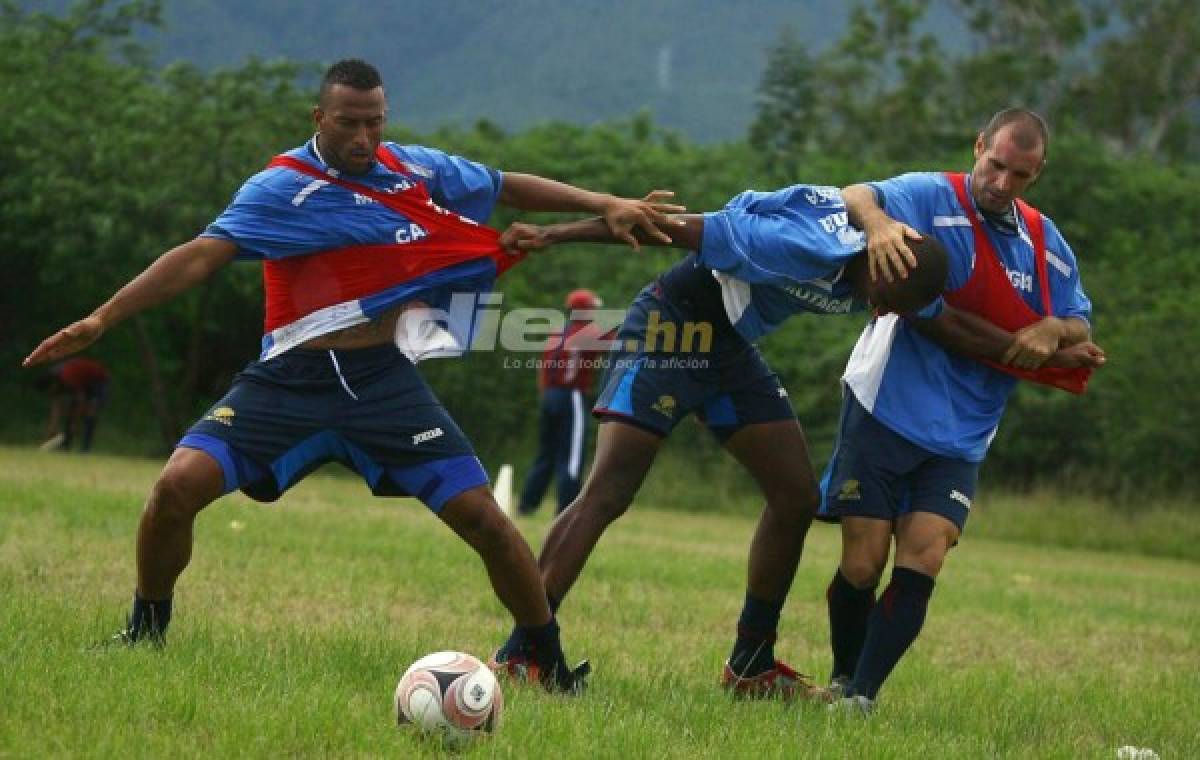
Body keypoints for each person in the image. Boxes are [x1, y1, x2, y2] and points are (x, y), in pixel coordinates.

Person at [21, 59, 683, 692]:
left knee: (485, 520)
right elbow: (197, 258)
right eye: (349, 123)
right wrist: (101, 319)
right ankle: (146, 629)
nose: (365, 136)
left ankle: (545, 659)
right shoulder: (281, 188)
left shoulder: (414, 167)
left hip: (381, 381)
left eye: (375, 121)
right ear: (320, 116)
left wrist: (604, 200)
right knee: (174, 490)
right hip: (289, 378)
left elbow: (505, 184)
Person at [491, 180, 961, 700]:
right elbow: (670, 229)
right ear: (878, 264)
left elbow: (945, 315)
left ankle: (751, 663)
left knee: (795, 497)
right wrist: (555, 233)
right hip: (671, 327)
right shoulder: (793, 243)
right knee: (608, 492)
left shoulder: (896, 271)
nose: (885, 312)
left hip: (730, 348)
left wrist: (1034, 343)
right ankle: (523, 650)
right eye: (887, 301)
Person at [819, 108, 1106, 714]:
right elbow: (853, 194)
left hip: (964, 432)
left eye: (1020, 175)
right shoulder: (931, 195)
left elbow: (1080, 317)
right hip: (883, 404)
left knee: (925, 551)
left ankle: (859, 698)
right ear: (979, 146)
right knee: (863, 563)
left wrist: (1054, 329)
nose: (1002, 183)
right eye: (995, 164)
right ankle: (844, 675)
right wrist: (877, 227)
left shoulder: (1043, 240)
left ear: (1037, 173)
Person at [517, 288, 609, 516]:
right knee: (572, 455)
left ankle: (527, 504)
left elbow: (544, 368)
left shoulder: (557, 333)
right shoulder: (588, 332)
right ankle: (567, 509)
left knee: (546, 452)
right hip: (572, 396)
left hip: (549, 396)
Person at [35, 356, 111, 452]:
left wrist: (75, 423)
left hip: (98, 380)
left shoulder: (67, 376)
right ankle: (66, 448)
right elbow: (56, 408)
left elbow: (81, 400)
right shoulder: (53, 381)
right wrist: (52, 430)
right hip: (82, 381)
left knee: (90, 412)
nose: (50, 393)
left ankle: (85, 449)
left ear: (52, 384)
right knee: (71, 414)